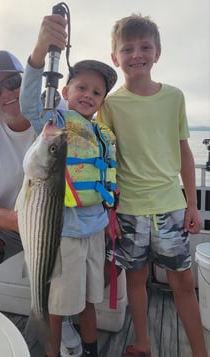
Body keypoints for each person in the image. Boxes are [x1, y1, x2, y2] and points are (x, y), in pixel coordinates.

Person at [0, 49, 80, 357]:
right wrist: (21, 221)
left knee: (92, 251)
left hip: (63, 221)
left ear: (28, 80)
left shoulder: (58, 114)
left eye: (12, 81)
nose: (6, 93)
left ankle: (64, 316)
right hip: (11, 221)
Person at [97, 14, 208, 357]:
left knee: (183, 283)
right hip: (128, 208)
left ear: (157, 52)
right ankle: (143, 341)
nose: (137, 54)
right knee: (136, 279)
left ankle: (201, 351)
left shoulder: (174, 97)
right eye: (127, 48)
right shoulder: (110, 104)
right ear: (115, 57)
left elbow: (183, 151)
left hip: (170, 206)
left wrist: (192, 204)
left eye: (145, 46)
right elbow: (104, 156)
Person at [20, 14, 118, 357]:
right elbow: (29, 103)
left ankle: (90, 349)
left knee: (91, 300)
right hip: (62, 233)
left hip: (95, 230)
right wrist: (39, 54)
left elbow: (108, 180)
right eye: (81, 88)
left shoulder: (100, 133)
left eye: (96, 92)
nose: (88, 96)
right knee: (59, 305)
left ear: (103, 101)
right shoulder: (55, 121)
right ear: (64, 92)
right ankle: (51, 350)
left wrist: (111, 221)